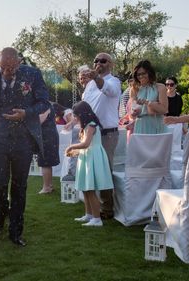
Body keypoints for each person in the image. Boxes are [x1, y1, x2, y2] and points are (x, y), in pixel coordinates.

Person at [0, 47, 51, 246]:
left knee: (19, 185)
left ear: (18, 62)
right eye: (2, 67)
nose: (6, 71)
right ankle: (1, 214)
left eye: (10, 67)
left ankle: (16, 230)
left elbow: (44, 103)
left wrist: (26, 112)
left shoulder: (32, 74)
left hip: (23, 138)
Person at [81, 53, 122, 220]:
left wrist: (96, 78)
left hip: (107, 133)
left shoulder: (114, 81)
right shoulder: (90, 84)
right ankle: (91, 210)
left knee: (105, 170)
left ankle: (107, 208)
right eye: (96, 60)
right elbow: (86, 105)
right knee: (89, 170)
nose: (98, 63)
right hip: (90, 132)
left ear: (110, 64)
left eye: (103, 60)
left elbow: (109, 90)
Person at [66, 101, 113, 227]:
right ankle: (89, 214)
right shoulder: (85, 126)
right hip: (87, 156)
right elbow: (85, 146)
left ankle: (97, 219)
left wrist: (71, 147)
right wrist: (75, 151)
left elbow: (86, 144)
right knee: (86, 189)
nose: (75, 118)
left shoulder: (92, 125)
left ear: (82, 114)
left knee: (91, 189)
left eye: (76, 115)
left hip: (93, 157)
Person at [129, 60, 167, 134]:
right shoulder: (134, 89)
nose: (141, 76)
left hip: (157, 124)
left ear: (149, 73)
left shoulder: (160, 87)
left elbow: (164, 110)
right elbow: (132, 112)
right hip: (141, 125)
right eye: (138, 74)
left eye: (143, 73)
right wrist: (134, 112)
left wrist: (148, 103)